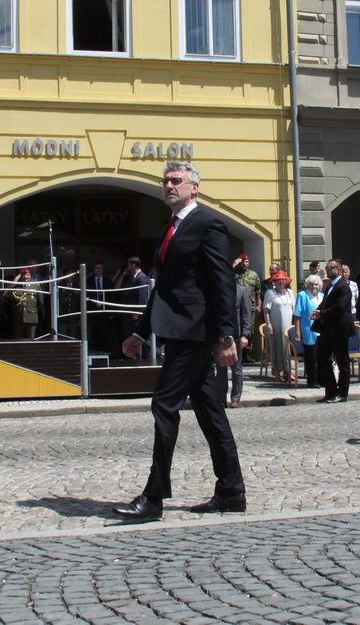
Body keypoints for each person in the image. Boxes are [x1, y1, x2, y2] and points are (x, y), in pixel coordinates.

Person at [115, 161, 246, 521]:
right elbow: (165, 287)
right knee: (209, 410)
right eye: (166, 181)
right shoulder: (171, 227)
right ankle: (231, 491)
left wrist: (225, 335)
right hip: (178, 331)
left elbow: (222, 283)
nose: (169, 186)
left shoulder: (208, 224)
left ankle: (154, 497)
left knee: (164, 405)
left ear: (194, 188)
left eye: (177, 181)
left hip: (197, 333)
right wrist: (141, 331)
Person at [312, 259, 354, 403]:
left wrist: (322, 314)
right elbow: (325, 304)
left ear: (340, 270)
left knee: (342, 362)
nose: (328, 270)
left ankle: (342, 393)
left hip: (340, 329)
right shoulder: (330, 286)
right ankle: (330, 391)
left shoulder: (343, 287)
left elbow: (340, 307)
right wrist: (317, 311)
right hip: (327, 329)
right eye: (327, 267)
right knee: (322, 359)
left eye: (331, 267)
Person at [216, 284, 252, 408]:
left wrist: (245, 335)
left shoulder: (241, 291)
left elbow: (246, 314)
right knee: (220, 369)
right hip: (219, 336)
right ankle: (221, 398)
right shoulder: (217, 289)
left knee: (236, 370)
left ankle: (235, 398)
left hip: (236, 335)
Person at [263, 270, 295, 383]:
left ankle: (288, 371)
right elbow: (266, 310)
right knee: (277, 347)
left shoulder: (290, 292)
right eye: (278, 280)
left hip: (288, 324)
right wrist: (268, 324)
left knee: (288, 348)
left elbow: (293, 308)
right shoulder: (270, 293)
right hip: (276, 324)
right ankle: (277, 373)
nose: (281, 281)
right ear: (274, 282)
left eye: (283, 279)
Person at [293, 274, 324, 388]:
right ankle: (312, 381)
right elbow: (297, 315)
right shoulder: (302, 295)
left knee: (322, 357)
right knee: (311, 357)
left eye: (316, 284)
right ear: (307, 285)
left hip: (321, 331)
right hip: (308, 331)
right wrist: (297, 332)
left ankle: (322, 380)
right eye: (311, 284)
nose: (314, 287)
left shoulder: (322, 296)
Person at [233, 254, 262, 364]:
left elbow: (258, 290)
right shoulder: (234, 274)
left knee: (250, 329)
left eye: (246, 262)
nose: (244, 264)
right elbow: (224, 278)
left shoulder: (253, 274)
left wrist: (259, 304)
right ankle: (238, 351)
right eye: (242, 262)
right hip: (236, 307)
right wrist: (233, 265)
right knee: (238, 328)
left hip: (251, 306)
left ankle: (247, 353)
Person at [6, 268, 42, 339]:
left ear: (30, 276)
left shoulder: (36, 286)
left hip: (31, 317)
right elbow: (6, 296)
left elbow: (40, 303)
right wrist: (14, 282)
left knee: (31, 339)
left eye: (27, 275)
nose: (25, 277)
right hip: (18, 317)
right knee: (18, 339)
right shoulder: (16, 286)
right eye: (23, 275)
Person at [86, 263, 113, 353]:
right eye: (97, 268)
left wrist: (111, 312)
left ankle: (104, 354)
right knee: (93, 335)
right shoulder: (88, 282)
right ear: (94, 270)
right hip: (93, 312)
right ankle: (94, 354)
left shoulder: (108, 282)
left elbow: (111, 297)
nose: (99, 270)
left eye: (100, 268)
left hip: (104, 312)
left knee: (104, 334)